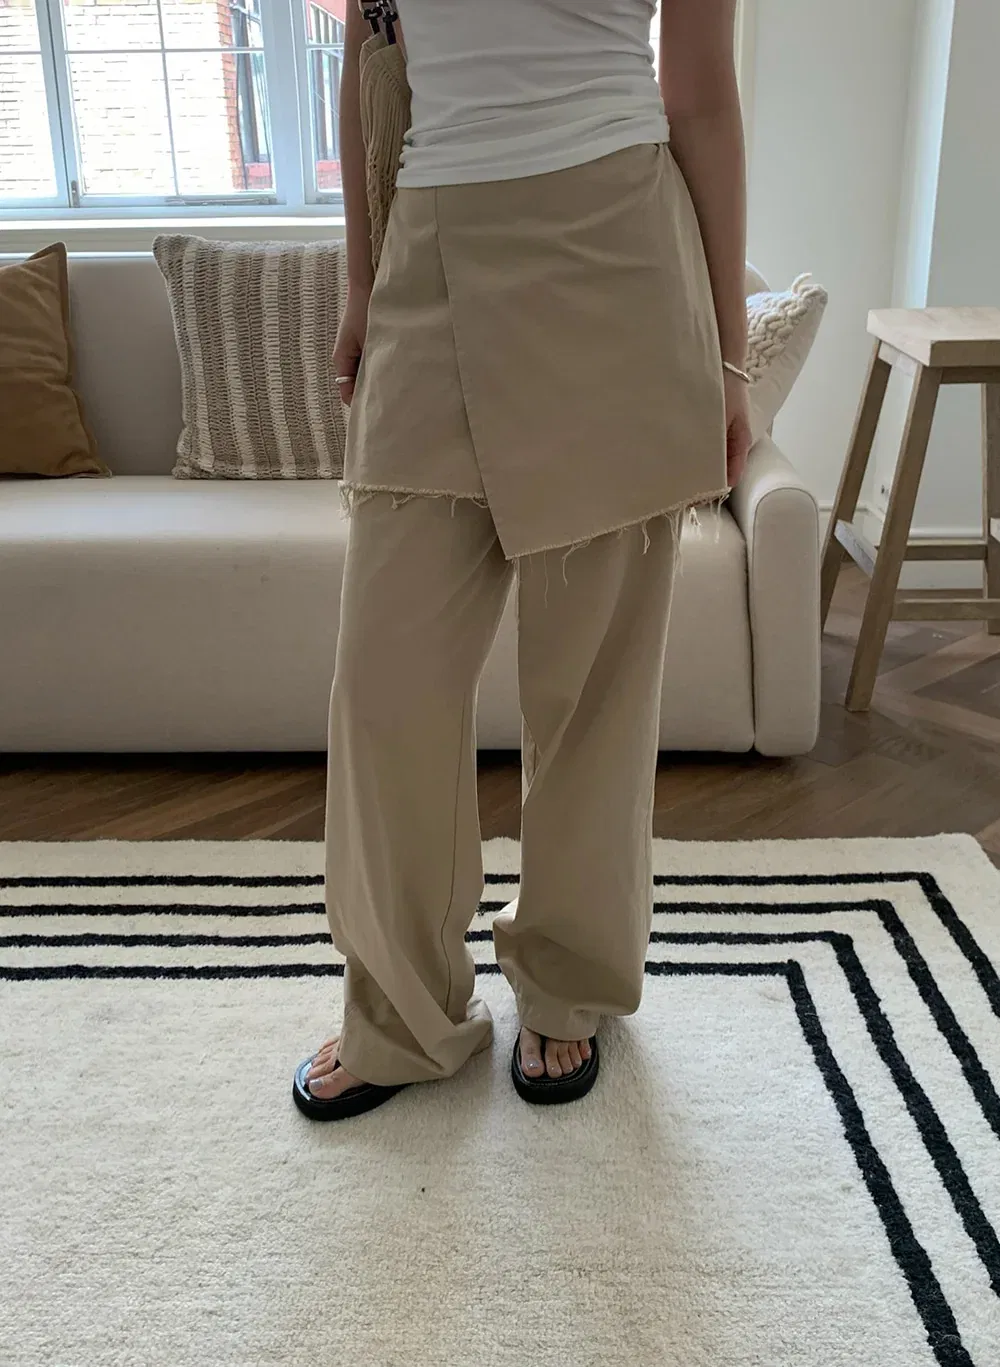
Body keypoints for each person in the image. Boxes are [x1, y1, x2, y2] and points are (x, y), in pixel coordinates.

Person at [293, 0, 751, 1121]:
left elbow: (699, 96)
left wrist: (731, 359)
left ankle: (568, 980)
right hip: (429, 253)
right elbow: (365, 58)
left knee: (593, 688)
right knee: (385, 687)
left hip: (618, 254)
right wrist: (360, 282)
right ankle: (401, 1009)